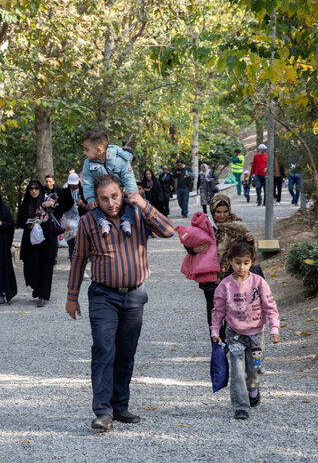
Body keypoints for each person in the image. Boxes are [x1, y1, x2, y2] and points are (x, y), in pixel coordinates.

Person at [66, 174, 175, 432]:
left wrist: (144, 204)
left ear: (123, 193)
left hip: (135, 295)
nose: (111, 203)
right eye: (104, 199)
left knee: (126, 351)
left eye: (114, 196)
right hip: (103, 295)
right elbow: (79, 260)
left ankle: (120, 405)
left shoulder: (138, 215)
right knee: (104, 349)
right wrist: (72, 296)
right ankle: (103, 412)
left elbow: (169, 230)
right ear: (96, 198)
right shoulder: (88, 223)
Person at [211, 242, 280, 420]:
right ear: (230, 262)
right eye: (238, 262)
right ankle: (241, 406)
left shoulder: (259, 283)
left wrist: (274, 328)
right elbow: (218, 311)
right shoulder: (224, 286)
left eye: (246, 262)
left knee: (254, 369)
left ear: (252, 262)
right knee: (237, 371)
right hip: (234, 334)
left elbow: (270, 307)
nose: (241, 267)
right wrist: (215, 331)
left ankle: (253, 389)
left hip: (256, 335)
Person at [186, 194, 255, 341]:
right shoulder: (204, 225)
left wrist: (250, 241)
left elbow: (247, 253)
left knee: (233, 313)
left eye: (225, 211)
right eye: (218, 212)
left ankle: (234, 345)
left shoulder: (238, 226)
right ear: (212, 210)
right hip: (210, 279)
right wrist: (194, 250)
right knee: (214, 315)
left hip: (232, 278)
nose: (222, 215)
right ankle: (218, 349)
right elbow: (189, 241)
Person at [81, 129, 138, 235]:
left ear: (98, 150)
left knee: (133, 204)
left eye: (86, 149)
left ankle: (127, 221)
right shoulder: (88, 164)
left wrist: (131, 192)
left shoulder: (119, 159)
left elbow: (128, 177)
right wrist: (90, 198)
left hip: (121, 194)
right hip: (101, 197)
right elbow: (87, 183)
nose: (85, 152)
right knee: (92, 206)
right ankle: (102, 222)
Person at [17, 180, 57, 308]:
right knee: (31, 266)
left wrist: (51, 205)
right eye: (31, 188)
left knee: (46, 265)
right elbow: (19, 221)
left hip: (46, 238)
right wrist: (30, 223)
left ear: (40, 190)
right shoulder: (26, 203)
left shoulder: (47, 201)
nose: (33, 191)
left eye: (36, 188)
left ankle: (43, 295)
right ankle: (37, 286)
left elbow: (60, 211)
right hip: (30, 239)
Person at [53, 172, 87, 261]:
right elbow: (59, 207)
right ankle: (73, 265)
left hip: (81, 222)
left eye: (75, 185)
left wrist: (82, 204)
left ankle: (81, 266)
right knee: (71, 245)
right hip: (67, 222)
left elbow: (89, 207)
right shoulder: (64, 192)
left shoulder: (83, 191)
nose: (73, 186)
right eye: (71, 185)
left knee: (81, 245)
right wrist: (64, 218)